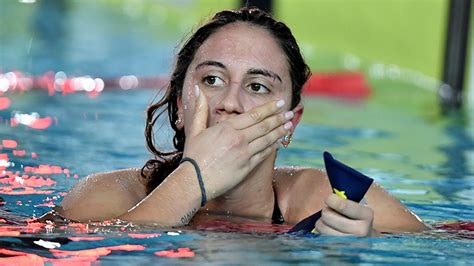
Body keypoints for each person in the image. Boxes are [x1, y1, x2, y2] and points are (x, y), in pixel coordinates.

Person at [50, 7, 427, 236]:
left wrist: (360, 250)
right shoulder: (108, 198)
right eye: (212, 80)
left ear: (290, 123)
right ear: (181, 106)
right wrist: (193, 181)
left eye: (258, 86)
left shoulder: (325, 203)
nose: (230, 102)